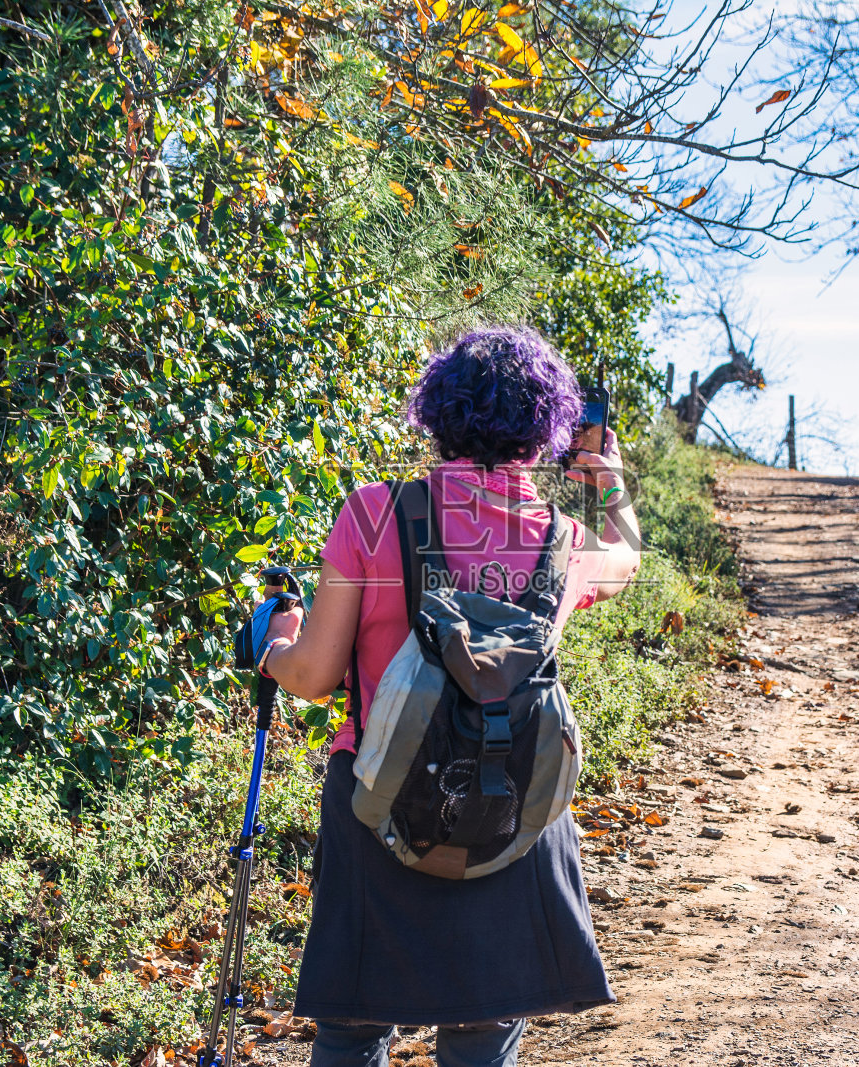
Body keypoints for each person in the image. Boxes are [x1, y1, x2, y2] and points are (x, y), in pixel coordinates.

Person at [253, 325, 643, 1067]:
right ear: (547, 430)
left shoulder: (372, 513)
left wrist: (274, 644)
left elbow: (312, 675)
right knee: (482, 1031)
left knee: (353, 1027)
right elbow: (628, 558)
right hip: (512, 809)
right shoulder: (563, 540)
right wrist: (611, 481)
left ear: (436, 415)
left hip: (377, 800)